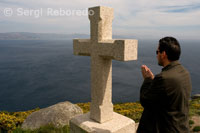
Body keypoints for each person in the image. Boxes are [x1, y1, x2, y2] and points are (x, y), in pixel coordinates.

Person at [137, 37, 192, 133]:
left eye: (157, 52)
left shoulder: (163, 78)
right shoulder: (185, 73)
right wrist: (154, 81)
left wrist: (148, 80)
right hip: (181, 127)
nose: (156, 55)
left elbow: (145, 100)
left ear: (163, 54)